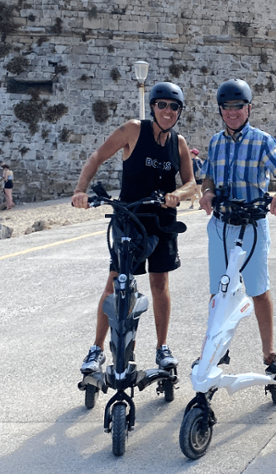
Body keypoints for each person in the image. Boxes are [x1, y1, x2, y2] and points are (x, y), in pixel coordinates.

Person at [71, 81, 197, 378]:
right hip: (130, 217)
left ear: (179, 111)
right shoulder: (132, 130)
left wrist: (178, 194)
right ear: (153, 106)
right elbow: (97, 157)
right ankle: (97, 349)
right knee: (116, 282)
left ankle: (162, 348)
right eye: (162, 105)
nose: (167, 111)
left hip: (162, 220)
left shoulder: (178, 143)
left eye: (174, 106)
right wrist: (80, 190)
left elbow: (193, 183)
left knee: (159, 284)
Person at [199, 79, 276, 382]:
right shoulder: (215, 142)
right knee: (218, 291)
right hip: (222, 224)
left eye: (238, 106)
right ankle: (218, 346)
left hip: (252, 224)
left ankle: (269, 352)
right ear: (220, 110)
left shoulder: (262, 141)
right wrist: (207, 192)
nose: (232, 112)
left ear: (248, 108)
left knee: (258, 291)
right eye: (226, 107)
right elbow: (208, 177)